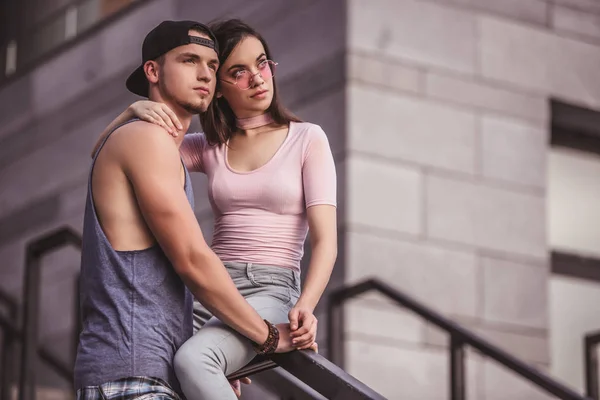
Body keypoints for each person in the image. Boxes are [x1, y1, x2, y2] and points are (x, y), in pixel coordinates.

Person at [96, 18, 337, 400]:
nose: (257, 79)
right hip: (211, 290)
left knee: (195, 361)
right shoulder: (211, 145)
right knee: (161, 367)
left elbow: (326, 241)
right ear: (218, 91)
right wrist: (132, 113)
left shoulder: (307, 139)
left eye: (262, 64)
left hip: (270, 288)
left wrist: (306, 306)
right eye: (238, 72)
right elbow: (111, 154)